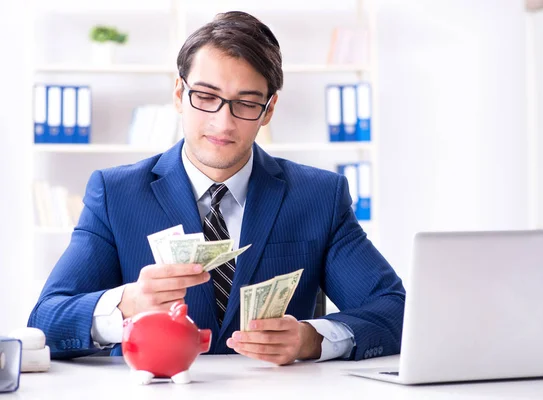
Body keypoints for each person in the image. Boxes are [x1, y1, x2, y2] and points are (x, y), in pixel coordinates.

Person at [28, 11, 406, 365]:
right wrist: (126, 304)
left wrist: (314, 339)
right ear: (179, 94)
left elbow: (395, 309)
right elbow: (46, 319)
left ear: (269, 110)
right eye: (206, 97)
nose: (222, 123)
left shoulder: (319, 196)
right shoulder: (116, 193)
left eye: (245, 103)